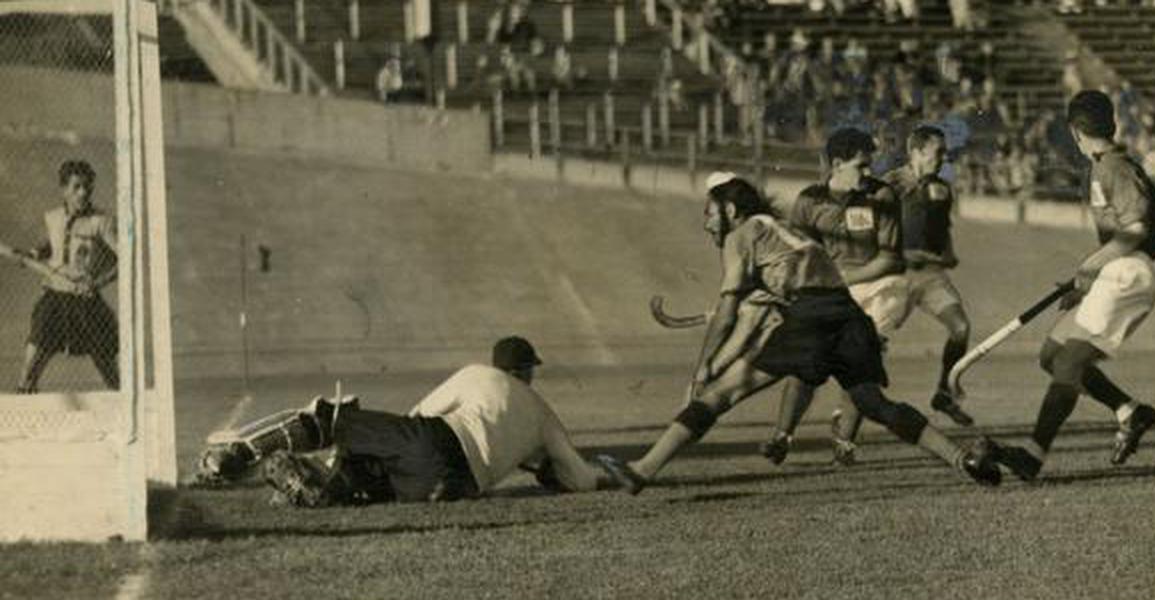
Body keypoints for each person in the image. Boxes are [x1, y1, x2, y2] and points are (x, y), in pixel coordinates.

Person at [595, 173, 1004, 494]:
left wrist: (703, 371)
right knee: (874, 402)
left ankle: (642, 470)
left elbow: (728, 314)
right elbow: (750, 322)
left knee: (721, 394)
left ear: (731, 210)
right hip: (848, 315)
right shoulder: (781, 231)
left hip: (811, 315)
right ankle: (962, 459)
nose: (706, 223)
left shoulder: (741, 235)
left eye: (709, 213)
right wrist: (718, 362)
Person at [990, 90, 1155, 479]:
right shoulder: (1107, 165)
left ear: (1075, 132)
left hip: (1127, 273)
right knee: (1052, 355)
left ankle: (1032, 456)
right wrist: (1090, 280)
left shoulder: (1114, 167)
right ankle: (1130, 411)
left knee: (1069, 362)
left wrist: (1089, 268)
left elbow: (1137, 228)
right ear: (1112, 124)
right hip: (1116, 271)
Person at [238, 337, 613, 507]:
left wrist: (370, 440)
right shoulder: (545, 414)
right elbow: (582, 480)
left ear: (497, 364)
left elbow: (421, 412)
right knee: (384, 481)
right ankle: (329, 487)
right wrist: (552, 474)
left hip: (440, 443)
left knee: (341, 418)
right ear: (528, 371)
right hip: (456, 487)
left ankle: (243, 452)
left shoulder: (478, 374)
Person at [759, 127, 910, 467]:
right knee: (807, 361)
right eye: (861, 166)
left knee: (858, 363)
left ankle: (844, 442)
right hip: (829, 290)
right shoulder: (809, 201)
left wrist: (840, 280)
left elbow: (889, 259)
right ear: (837, 164)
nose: (868, 172)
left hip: (878, 288)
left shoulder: (882, 196)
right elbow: (798, 254)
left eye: (870, 165)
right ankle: (782, 437)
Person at [883, 125, 975, 427]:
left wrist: (949, 253)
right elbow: (875, 230)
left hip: (931, 275)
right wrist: (901, 254)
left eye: (945, 152)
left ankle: (944, 394)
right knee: (871, 341)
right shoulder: (891, 184)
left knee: (961, 328)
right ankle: (843, 413)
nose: (944, 158)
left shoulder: (942, 188)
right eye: (939, 152)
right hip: (896, 273)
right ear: (917, 152)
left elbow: (942, 229)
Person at [16, 160, 118, 393]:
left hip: (86, 301)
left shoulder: (101, 222)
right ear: (64, 189)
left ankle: (123, 405)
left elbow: (126, 258)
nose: (83, 193)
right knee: (31, 363)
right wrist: (33, 253)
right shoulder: (52, 217)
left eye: (87, 187)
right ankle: (25, 399)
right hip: (54, 296)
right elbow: (54, 243)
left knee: (109, 369)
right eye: (76, 187)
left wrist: (98, 283)